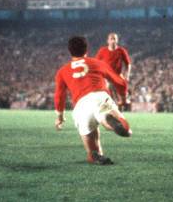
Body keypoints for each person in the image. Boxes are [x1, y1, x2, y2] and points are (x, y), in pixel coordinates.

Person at [54, 36, 132, 165]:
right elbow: (120, 83)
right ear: (86, 49)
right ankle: (108, 120)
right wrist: (123, 99)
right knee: (125, 129)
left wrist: (60, 117)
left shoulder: (62, 71)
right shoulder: (97, 63)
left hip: (81, 107)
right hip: (100, 97)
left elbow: (59, 96)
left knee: (92, 148)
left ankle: (95, 154)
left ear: (69, 51)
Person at [95, 32, 132, 111]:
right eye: (111, 39)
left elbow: (128, 64)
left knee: (123, 85)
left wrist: (127, 75)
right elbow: (96, 63)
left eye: (114, 39)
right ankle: (110, 106)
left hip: (117, 75)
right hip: (107, 76)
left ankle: (123, 100)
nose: (113, 41)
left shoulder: (121, 51)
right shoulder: (102, 51)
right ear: (108, 41)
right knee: (108, 88)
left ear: (117, 40)